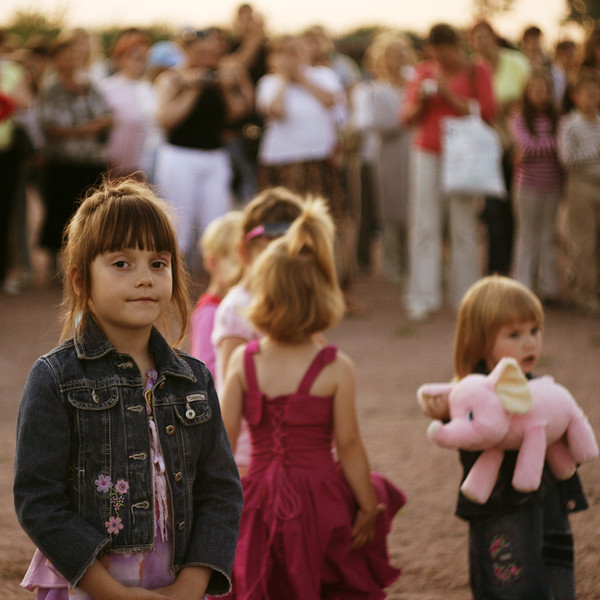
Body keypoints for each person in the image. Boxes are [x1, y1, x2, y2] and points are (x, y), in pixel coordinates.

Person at [14, 178, 243, 599]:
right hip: (90, 586)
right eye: (122, 263)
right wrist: (113, 593)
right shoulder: (54, 378)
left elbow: (221, 491)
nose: (144, 278)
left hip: (178, 584)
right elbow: (39, 500)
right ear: (81, 280)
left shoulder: (194, 379)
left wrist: (192, 585)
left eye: (158, 263)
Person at [220, 196, 406, 599]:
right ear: (323, 296)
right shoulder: (336, 367)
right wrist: (368, 505)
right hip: (321, 498)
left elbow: (223, 441)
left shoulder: (243, 362)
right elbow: (349, 445)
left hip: (260, 497)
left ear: (262, 295)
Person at [419, 275, 589, 599]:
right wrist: (445, 414)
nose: (530, 343)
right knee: (509, 586)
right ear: (479, 342)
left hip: (548, 509)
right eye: (515, 334)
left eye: (535, 330)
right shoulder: (472, 395)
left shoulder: (541, 390)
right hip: (502, 512)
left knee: (556, 576)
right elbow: (471, 438)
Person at [401, 23, 498, 321]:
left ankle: (465, 296)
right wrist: (422, 100)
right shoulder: (423, 72)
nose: (440, 59)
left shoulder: (477, 70)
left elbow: (489, 111)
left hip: (464, 156)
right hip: (427, 152)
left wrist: (448, 94)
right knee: (424, 225)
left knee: (464, 227)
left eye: (444, 53)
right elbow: (406, 119)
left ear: (456, 46)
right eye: (435, 54)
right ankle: (422, 296)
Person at [211, 186, 304, 473]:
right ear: (244, 252)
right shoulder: (237, 308)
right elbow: (231, 392)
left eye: (291, 251)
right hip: (249, 456)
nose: (281, 263)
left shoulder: (299, 304)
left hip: (294, 448)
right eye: (270, 251)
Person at [154, 27, 249, 262]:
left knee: (216, 228)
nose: (207, 59)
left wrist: (226, 88)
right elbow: (165, 120)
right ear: (186, 51)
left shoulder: (219, 77)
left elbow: (237, 114)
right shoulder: (172, 78)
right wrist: (193, 88)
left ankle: (215, 279)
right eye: (201, 53)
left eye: (212, 53)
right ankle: (175, 279)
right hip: (179, 156)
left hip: (215, 156)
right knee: (178, 227)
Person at [36, 33, 113, 262]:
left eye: (76, 54)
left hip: (90, 161)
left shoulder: (90, 85)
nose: (72, 59)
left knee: (92, 213)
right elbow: (50, 127)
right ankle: (57, 264)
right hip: (62, 162)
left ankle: (86, 259)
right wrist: (86, 129)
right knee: (59, 213)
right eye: (67, 54)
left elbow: (108, 117)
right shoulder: (51, 88)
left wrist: (82, 128)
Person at [469, 20, 531, 277]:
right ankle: (496, 267)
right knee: (493, 207)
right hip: (486, 145)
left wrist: (504, 106)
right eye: (477, 37)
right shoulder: (474, 68)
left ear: (494, 37)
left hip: (516, 143)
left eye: (485, 35)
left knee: (514, 207)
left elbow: (530, 95)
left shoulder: (516, 62)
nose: (482, 41)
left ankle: (517, 266)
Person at [357, 31, 416, 283]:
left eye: (401, 53)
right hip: (389, 155)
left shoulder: (414, 84)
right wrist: (411, 115)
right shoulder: (377, 91)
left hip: (415, 152)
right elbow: (380, 124)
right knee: (391, 210)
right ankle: (392, 265)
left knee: (415, 208)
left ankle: (413, 263)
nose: (398, 58)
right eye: (392, 54)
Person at [510, 70, 562, 302]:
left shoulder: (559, 119)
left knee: (547, 236)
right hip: (527, 186)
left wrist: (537, 148)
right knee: (527, 235)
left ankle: (548, 287)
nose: (540, 93)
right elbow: (527, 145)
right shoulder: (519, 118)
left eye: (544, 89)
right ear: (527, 92)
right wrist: (551, 145)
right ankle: (522, 285)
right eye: (535, 89)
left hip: (552, 185)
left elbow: (561, 146)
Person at [557, 67, 600, 315]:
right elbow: (567, 159)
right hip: (580, 186)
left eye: (596, 92)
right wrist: (595, 152)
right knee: (584, 242)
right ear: (576, 96)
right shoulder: (569, 124)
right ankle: (585, 295)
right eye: (588, 93)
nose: (593, 97)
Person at [98, 31, 160, 179]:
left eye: (144, 58)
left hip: (144, 163)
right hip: (112, 163)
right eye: (135, 57)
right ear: (120, 58)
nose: (140, 63)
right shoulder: (106, 87)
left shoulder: (150, 89)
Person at [190, 210, 243, 377]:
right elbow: (205, 370)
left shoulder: (238, 304)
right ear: (212, 262)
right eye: (236, 263)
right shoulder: (209, 312)